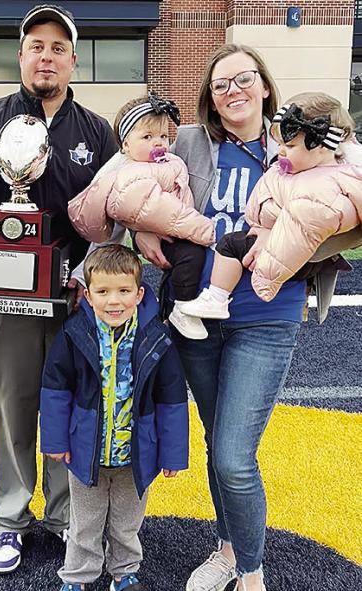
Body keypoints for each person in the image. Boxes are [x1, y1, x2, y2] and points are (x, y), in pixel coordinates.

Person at [134, 44, 361, 591]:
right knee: (217, 443)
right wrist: (140, 226)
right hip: (196, 314)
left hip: (267, 312)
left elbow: (348, 204)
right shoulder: (189, 141)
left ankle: (252, 572)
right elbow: (132, 172)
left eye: (242, 79)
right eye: (219, 84)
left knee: (235, 455)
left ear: (264, 86)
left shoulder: (307, 144)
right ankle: (228, 549)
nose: (231, 90)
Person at [0, 3, 117, 573]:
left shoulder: (95, 131)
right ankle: (10, 518)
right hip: (5, 298)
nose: (47, 56)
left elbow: (115, 212)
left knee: (69, 405)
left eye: (58, 48)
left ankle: (67, 517)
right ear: (20, 56)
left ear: (72, 60)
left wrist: (91, 275)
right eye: (36, 46)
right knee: (10, 409)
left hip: (73, 299)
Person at [39, 244, 189, 591]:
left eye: (123, 291)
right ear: (88, 296)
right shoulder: (74, 335)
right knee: (84, 523)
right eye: (103, 292)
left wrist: (172, 453)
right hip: (85, 452)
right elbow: (55, 391)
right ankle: (77, 577)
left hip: (136, 456)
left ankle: (124, 572)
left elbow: (172, 399)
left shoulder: (156, 338)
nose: (114, 301)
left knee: (126, 522)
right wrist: (56, 441)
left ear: (139, 293)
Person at [180, 92, 362, 324]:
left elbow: (302, 226)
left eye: (291, 144)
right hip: (286, 249)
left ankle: (216, 297)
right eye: (281, 144)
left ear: (322, 147)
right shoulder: (303, 171)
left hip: (290, 259)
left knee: (230, 245)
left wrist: (267, 273)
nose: (282, 151)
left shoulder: (323, 187)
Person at [67, 94, 215, 339]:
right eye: (147, 137)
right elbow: (150, 210)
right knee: (192, 256)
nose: (158, 143)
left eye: (164, 136)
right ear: (125, 145)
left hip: (174, 230)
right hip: (180, 231)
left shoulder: (165, 163)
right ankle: (182, 308)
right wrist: (209, 233)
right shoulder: (128, 171)